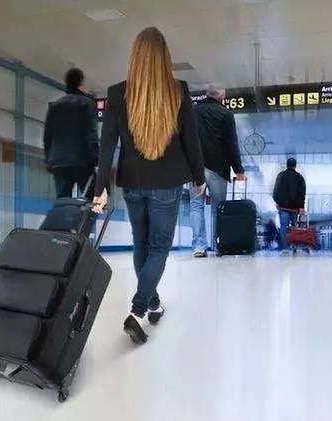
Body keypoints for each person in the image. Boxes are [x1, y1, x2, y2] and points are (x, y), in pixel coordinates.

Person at [92, 27, 206, 344]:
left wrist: (100, 187)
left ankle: (153, 304)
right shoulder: (178, 90)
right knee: (158, 248)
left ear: (135, 57)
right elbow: (192, 142)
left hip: (132, 181)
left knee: (141, 243)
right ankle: (139, 309)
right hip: (167, 182)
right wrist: (199, 178)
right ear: (164, 57)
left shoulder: (117, 93)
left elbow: (107, 146)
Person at [190, 84, 246, 258]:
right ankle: (218, 245)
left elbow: (185, 140)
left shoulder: (193, 112)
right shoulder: (226, 114)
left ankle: (199, 247)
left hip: (196, 168)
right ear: (222, 97)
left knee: (196, 206)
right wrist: (238, 170)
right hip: (218, 169)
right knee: (218, 208)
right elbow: (231, 143)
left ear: (207, 94)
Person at [44, 68, 99, 199]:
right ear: (80, 82)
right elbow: (91, 134)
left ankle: (64, 213)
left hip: (59, 161)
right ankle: (86, 213)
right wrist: (96, 157)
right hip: (82, 160)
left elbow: (47, 136)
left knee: (62, 201)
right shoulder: (87, 104)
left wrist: (48, 159)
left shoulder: (55, 106)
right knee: (91, 200)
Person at [273, 157, 306, 251]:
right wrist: (301, 207)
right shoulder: (300, 177)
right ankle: (294, 247)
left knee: (283, 227)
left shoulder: (281, 175)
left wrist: (277, 201)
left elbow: (276, 190)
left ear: (287, 165)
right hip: (295, 208)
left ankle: (285, 248)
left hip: (283, 207)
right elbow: (302, 193)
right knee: (294, 227)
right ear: (295, 166)